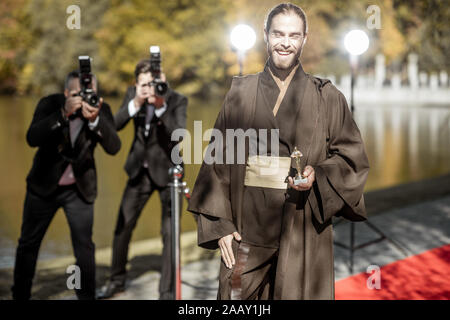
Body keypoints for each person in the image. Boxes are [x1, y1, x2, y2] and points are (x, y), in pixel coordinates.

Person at [187, 3, 370, 300]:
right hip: (246, 233)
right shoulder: (240, 93)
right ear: (266, 35)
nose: (285, 42)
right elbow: (216, 163)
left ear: (304, 38)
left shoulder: (327, 97)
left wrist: (318, 175)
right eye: (279, 34)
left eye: (294, 35)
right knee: (234, 297)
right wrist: (219, 224)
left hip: (300, 229)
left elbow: (352, 159)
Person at [12, 70, 121, 300]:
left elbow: (114, 148)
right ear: (65, 93)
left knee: (84, 248)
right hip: (43, 187)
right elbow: (32, 138)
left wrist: (95, 121)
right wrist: (63, 114)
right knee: (28, 245)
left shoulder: (102, 110)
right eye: (76, 94)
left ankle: (86, 296)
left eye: (88, 93)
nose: (83, 98)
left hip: (79, 190)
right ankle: (20, 295)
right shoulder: (49, 104)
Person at [98, 60, 188, 300]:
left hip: (169, 172)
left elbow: (179, 133)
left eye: (155, 82)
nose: (151, 87)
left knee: (170, 234)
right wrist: (136, 102)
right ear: (136, 84)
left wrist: (160, 107)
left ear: (164, 79)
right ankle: (116, 281)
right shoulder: (132, 95)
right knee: (122, 226)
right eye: (145, 84)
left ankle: (167, 293)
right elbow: (113, 125)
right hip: (138, 171)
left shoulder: (176, 99)